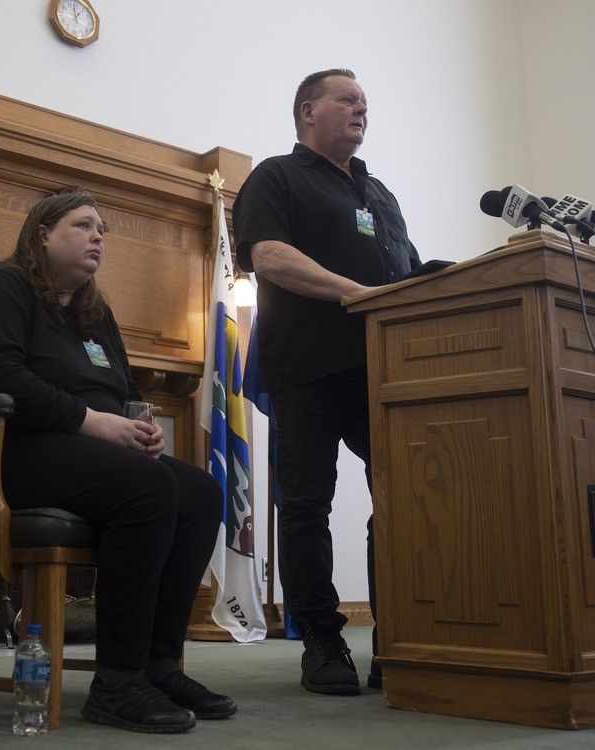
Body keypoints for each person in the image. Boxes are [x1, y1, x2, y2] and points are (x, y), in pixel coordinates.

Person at [0, 189, 235, 733]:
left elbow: (124, 392)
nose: (97, 235)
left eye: (102, 228)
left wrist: (140, 429)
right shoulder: (1, 288)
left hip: (82, 455)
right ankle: (117, 682)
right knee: (148, 490)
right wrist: (97, 423)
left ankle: (157, 664)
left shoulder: (93, 315)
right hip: (6, 453)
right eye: (83, 225)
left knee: (200, 492)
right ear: (42, 235)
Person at [232, 69, 420, 696]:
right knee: (307, 504)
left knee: (399, 498)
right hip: (307, 369)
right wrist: (359, 296)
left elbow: (410, 273)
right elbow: (269, 256)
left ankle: (395, 636)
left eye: (366, 100)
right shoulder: (275, 178)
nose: (362, 106)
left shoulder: (381, 194)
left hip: (384, 370)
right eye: (348, 98)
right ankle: (321, 638)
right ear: (308, 111)